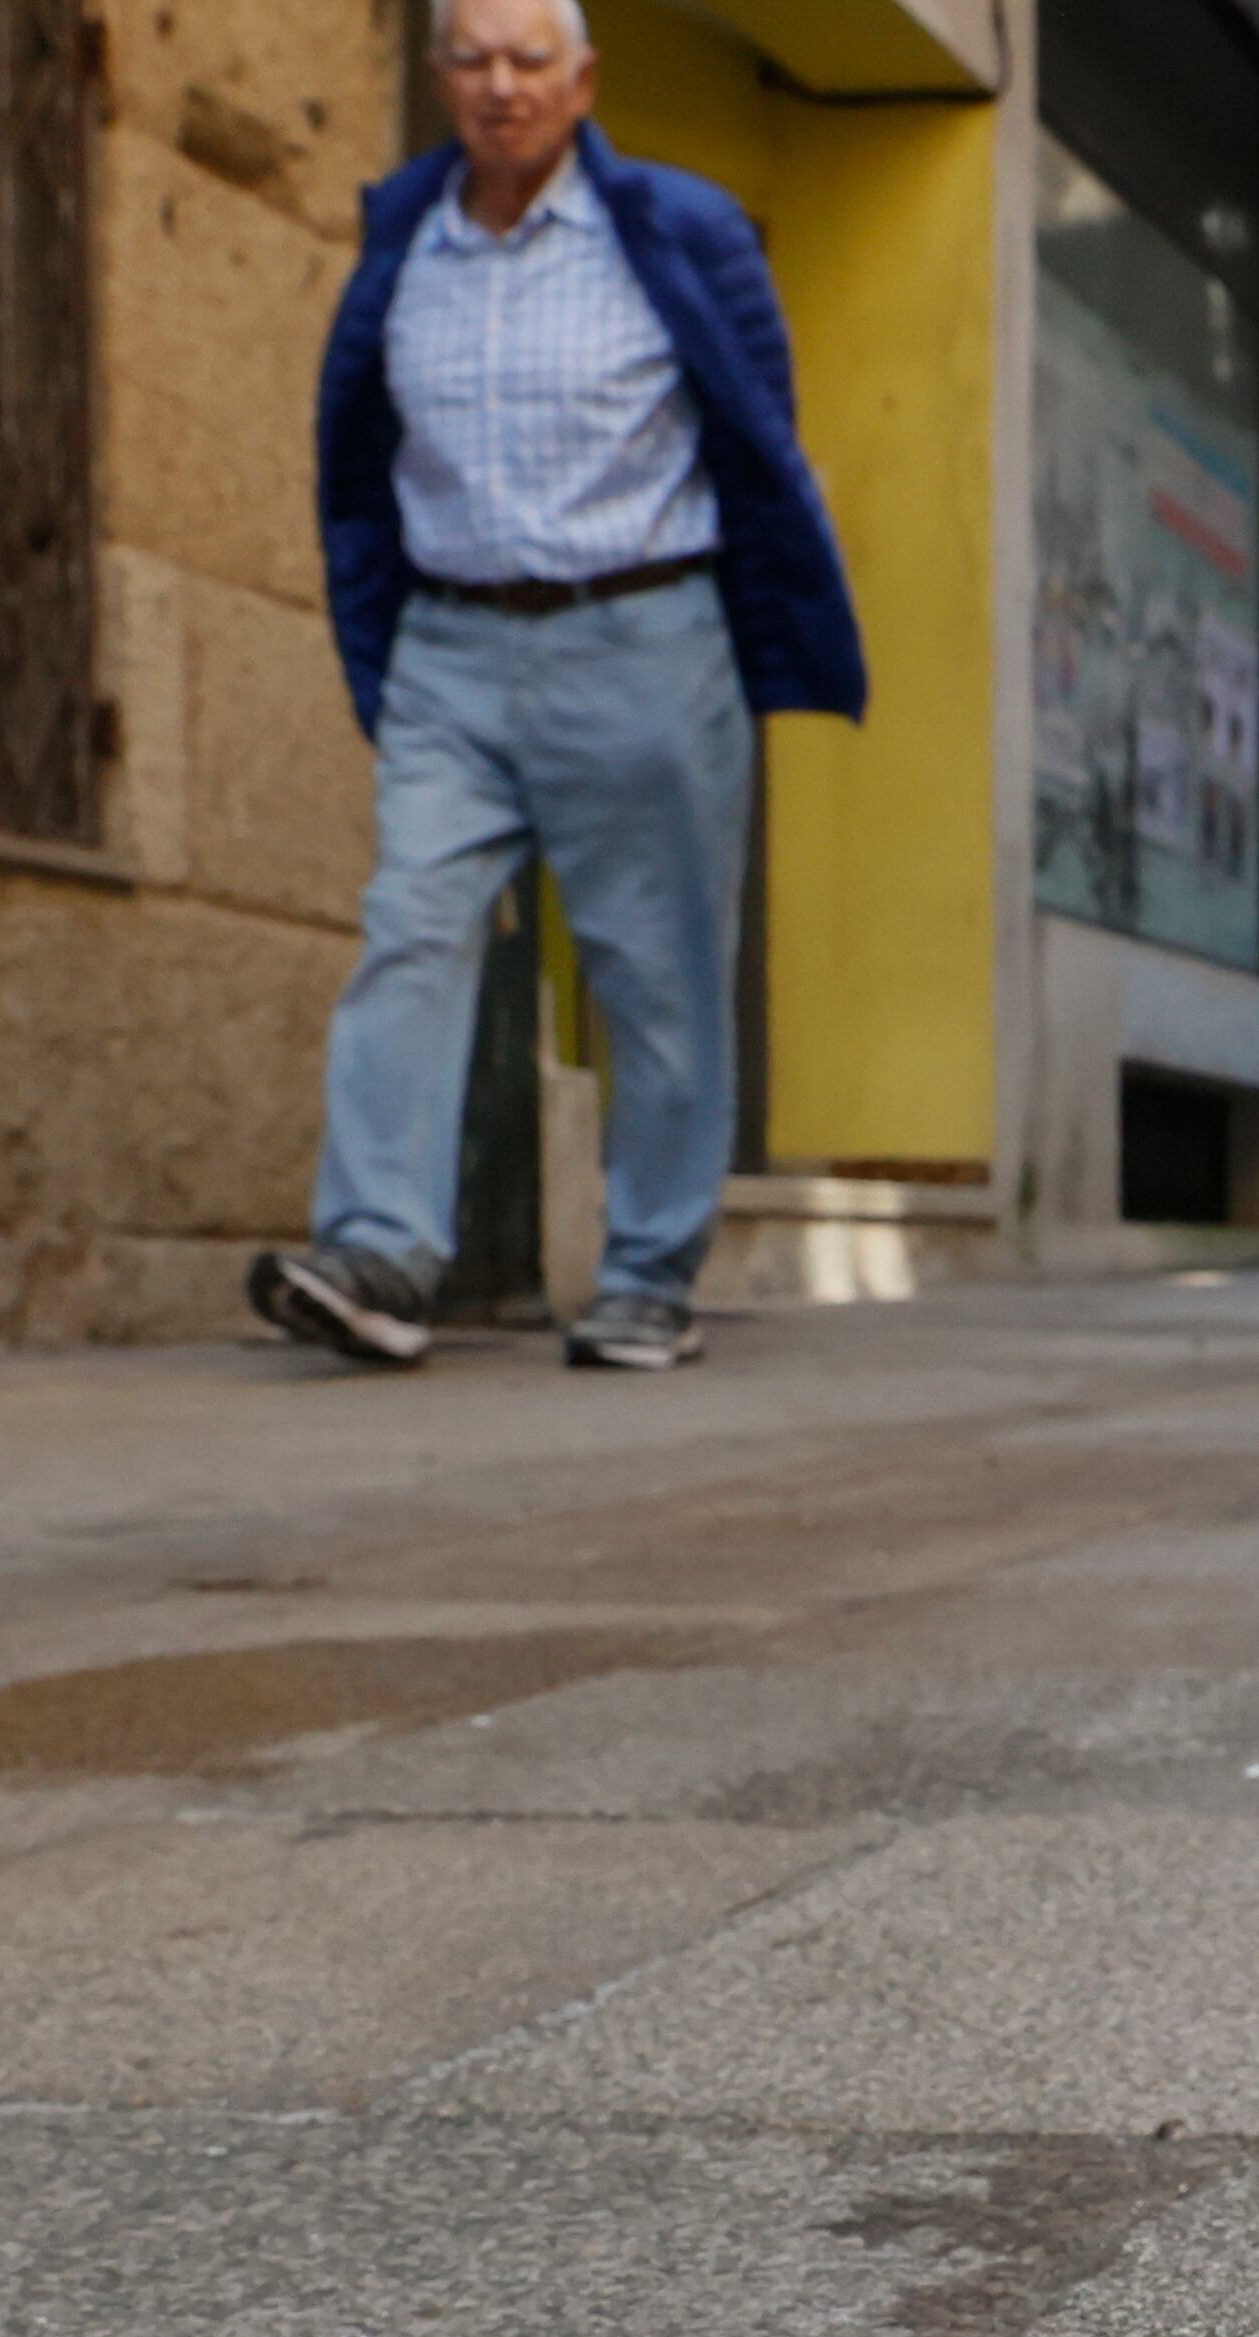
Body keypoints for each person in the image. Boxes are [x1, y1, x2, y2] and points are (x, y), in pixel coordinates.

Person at [250, 0, 866, 1376]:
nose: (501, 86)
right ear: (438, 80)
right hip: (453, 649)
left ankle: (649, 1272)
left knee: (655, 971)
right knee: (410, 922)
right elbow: (361, 451)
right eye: (471, 59)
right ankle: (380, 1251)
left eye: (532, 61)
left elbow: (761, 433)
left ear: (585, 84)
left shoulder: (681, 234)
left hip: (640, 637)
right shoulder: (406, 238)